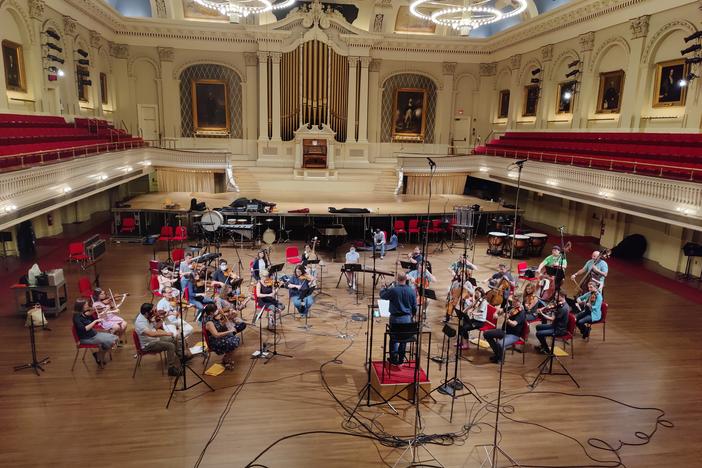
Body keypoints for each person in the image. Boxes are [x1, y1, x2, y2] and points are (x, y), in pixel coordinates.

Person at [134, 302, 188, 376]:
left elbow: (154, 328)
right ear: (147, 313)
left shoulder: (146, 316)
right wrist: (166, 333)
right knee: (170, 346)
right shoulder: (140, 322)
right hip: (148, 345)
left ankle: (181, 357)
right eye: (153, 311)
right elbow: (151, 334)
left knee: (174, 338)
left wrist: (162, 319)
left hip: (154, 339)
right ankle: (171, 369)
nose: (155, 312)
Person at [380, 273, 417, 365]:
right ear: (406, 279)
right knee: (404, 338)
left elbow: (383, 295)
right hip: (407, 319)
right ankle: (401, 359)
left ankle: (393, 359)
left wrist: (383, 286)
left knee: (394, 338)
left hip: (395, 319)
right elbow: (414, 307)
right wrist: (411, 315)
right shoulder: (412, 291)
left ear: (397, 279)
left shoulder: (394, 290)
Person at [73, 299, 117, 367]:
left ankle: (98, 355)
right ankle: (99, 357)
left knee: (114, 340)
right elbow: (84, 329)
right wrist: (95, 321)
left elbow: (95, 318)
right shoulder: (77, 317)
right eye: (86, 305)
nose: (88, 306)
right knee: (111, 341)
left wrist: (103, 312)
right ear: (81, 306)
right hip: (86, 338)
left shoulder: (84, 313)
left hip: (93, 334)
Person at [484, 299, 526, 364]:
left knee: (500, 344)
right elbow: (500, 309)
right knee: (486, 334)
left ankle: (500, 359)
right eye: (513, 301)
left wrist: (507, 319)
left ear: (520, 302)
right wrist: (495, 313)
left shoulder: (522, 313)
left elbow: (514, 324)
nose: (513, 302)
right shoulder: (511, 308)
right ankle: (498, 354)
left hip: (513, 335)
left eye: (515, 301)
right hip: (504, 331)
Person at [203, 303, 243, 370]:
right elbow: (216, 335)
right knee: (233, 342)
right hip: (214, 342)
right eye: (215, 310)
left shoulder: (212, 317)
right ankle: (226, 359)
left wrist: (228, 317)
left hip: (218, 338)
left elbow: (219, 325)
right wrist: (230, 331)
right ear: (211, 312)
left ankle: (226, 358)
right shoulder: (209, 322)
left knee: (235, 338)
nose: (217, 311)